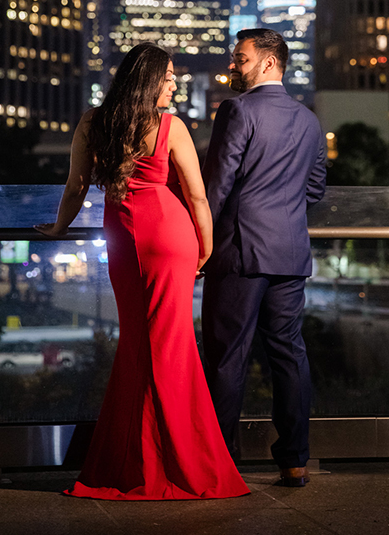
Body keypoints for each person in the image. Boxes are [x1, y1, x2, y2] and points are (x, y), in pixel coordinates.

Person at [38, 43, 250, 500]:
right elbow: (197, 197)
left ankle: (138, 459)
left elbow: (75, 188)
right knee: (172, 345)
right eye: (169, 75)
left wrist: (59, 228)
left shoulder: (94, 122)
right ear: (149, 79)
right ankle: (180, 460)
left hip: (124, 236)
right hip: (171, 236)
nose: (174, 83)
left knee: (140, 343)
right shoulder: (170, 128)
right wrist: (205, 251)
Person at [201, 28, 328, 487]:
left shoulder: (236, 109)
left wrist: (201, 242)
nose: (233, 66)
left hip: (239, 251)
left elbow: (216, 186)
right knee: (289, 355)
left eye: (240, 58)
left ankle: (220, 464)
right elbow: (314, 188)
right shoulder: (310, 121)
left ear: (269, 62)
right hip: (290, 251)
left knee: (226, 356)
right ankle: (294, 460)